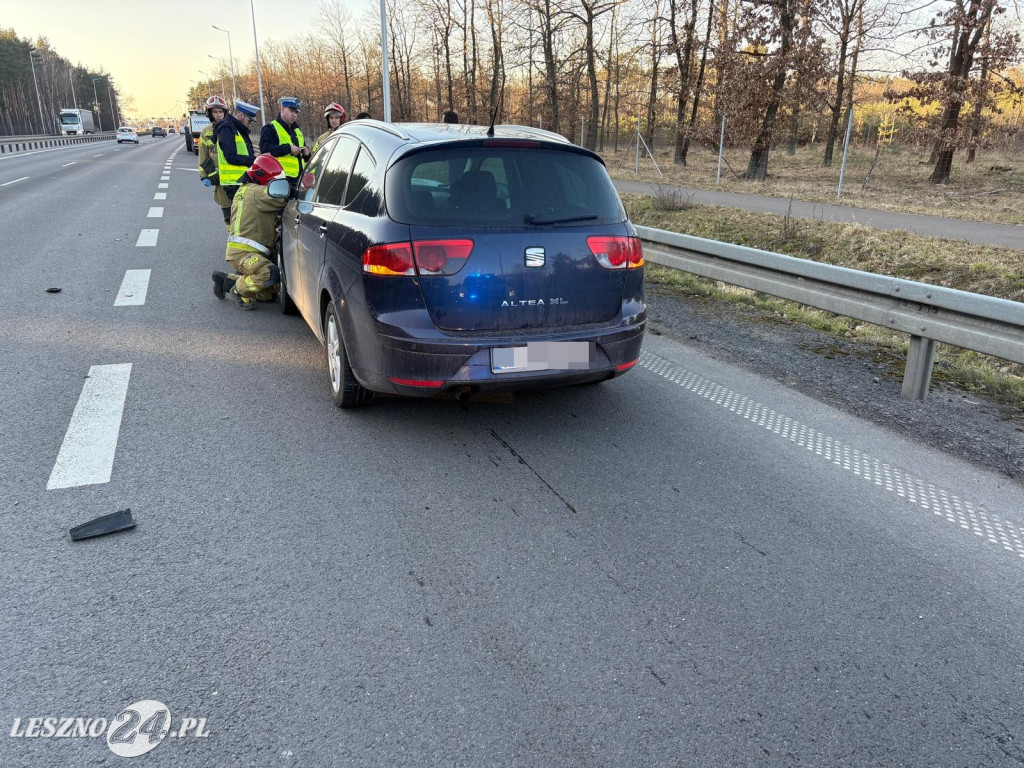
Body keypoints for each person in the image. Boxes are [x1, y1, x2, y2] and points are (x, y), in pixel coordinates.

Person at [211, 154, 287, 311]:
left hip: (242, 251)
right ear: (263, 178)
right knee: (269, 274)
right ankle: (238, 290)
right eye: (273, 182)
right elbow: (283, 198)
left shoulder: (246, 190)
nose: (273, 185)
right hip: (245, 253)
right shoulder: (257, 192)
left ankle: (227, 281)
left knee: (269, 294)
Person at [215, 99, 260, 202]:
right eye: (249, 120)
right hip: (234, 182)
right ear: (240, 115)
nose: (250, 124)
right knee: (238, 217)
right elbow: (230, 156)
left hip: (241, 181)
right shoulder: (227, 128)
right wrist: (253, 159)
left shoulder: (237, 129)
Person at [259, 96, 309, 186]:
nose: (294, 114)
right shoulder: (270, 128)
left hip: (298, 180)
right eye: (291, 111)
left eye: (296, 112)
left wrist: (307, 153)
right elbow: (265, 150)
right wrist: (288, 148)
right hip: (280, 179)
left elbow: (303, 153)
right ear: (282, 109)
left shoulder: (297, 130)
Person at [198, 95, 231, 226]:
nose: (218, 115)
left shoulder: (231, 129)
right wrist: (204, 175)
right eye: (215, 112)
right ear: (209, 114)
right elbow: (203, 156)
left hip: (236, 178)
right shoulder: (206, 132)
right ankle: (232, 240)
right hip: (219, 178)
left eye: (220, 112)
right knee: (227, 213)